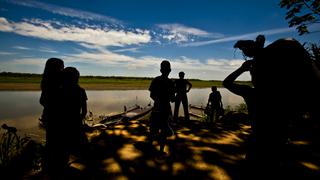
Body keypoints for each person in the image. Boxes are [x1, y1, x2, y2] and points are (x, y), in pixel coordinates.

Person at [39, 58, 64, 176]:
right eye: (61, 66)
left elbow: (42, 101)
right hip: (57, 117)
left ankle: (49, 167)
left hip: (48, 115)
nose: (62, 69)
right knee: (58, 142)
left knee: (51, 141)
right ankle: (55, 168)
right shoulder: (59, 82)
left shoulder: (46, 81)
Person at [148, 60, 175, 156]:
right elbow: (172, 99)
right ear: (170, 70)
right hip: (165, 108)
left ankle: (149, 148)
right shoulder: (171, 83)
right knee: (164, 130)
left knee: (153, 128)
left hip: (156, 108)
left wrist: (158, 101)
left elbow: (151, 95)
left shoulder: (156, 80)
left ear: (160, 70)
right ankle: (161, 151)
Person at [60, 67, 88, 159]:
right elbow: (84, 111)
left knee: (64, 149)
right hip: (76, 122)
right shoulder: (81, 91)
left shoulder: (59, 91)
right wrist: (79, 120)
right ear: (77, 78)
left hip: (62, 123)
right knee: (81, 148)